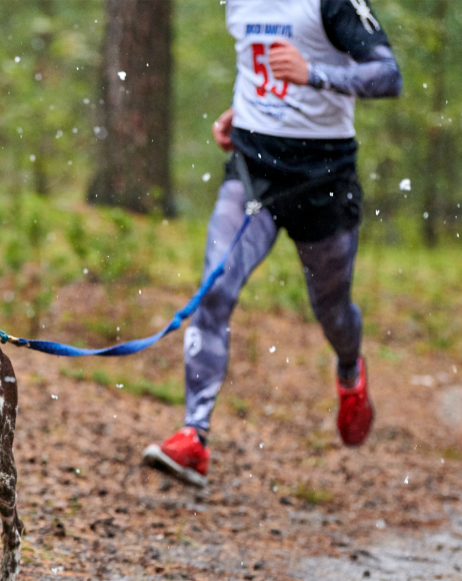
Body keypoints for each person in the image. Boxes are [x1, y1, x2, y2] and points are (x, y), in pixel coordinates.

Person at [143, 0, 402, 488]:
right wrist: (242, 113)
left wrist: (314, 74)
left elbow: (388, 76)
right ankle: (193, 436)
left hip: (324, 176)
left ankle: (350, 370)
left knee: (332, 309)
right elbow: (258, 67)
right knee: (214, 290)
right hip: (253, 168)